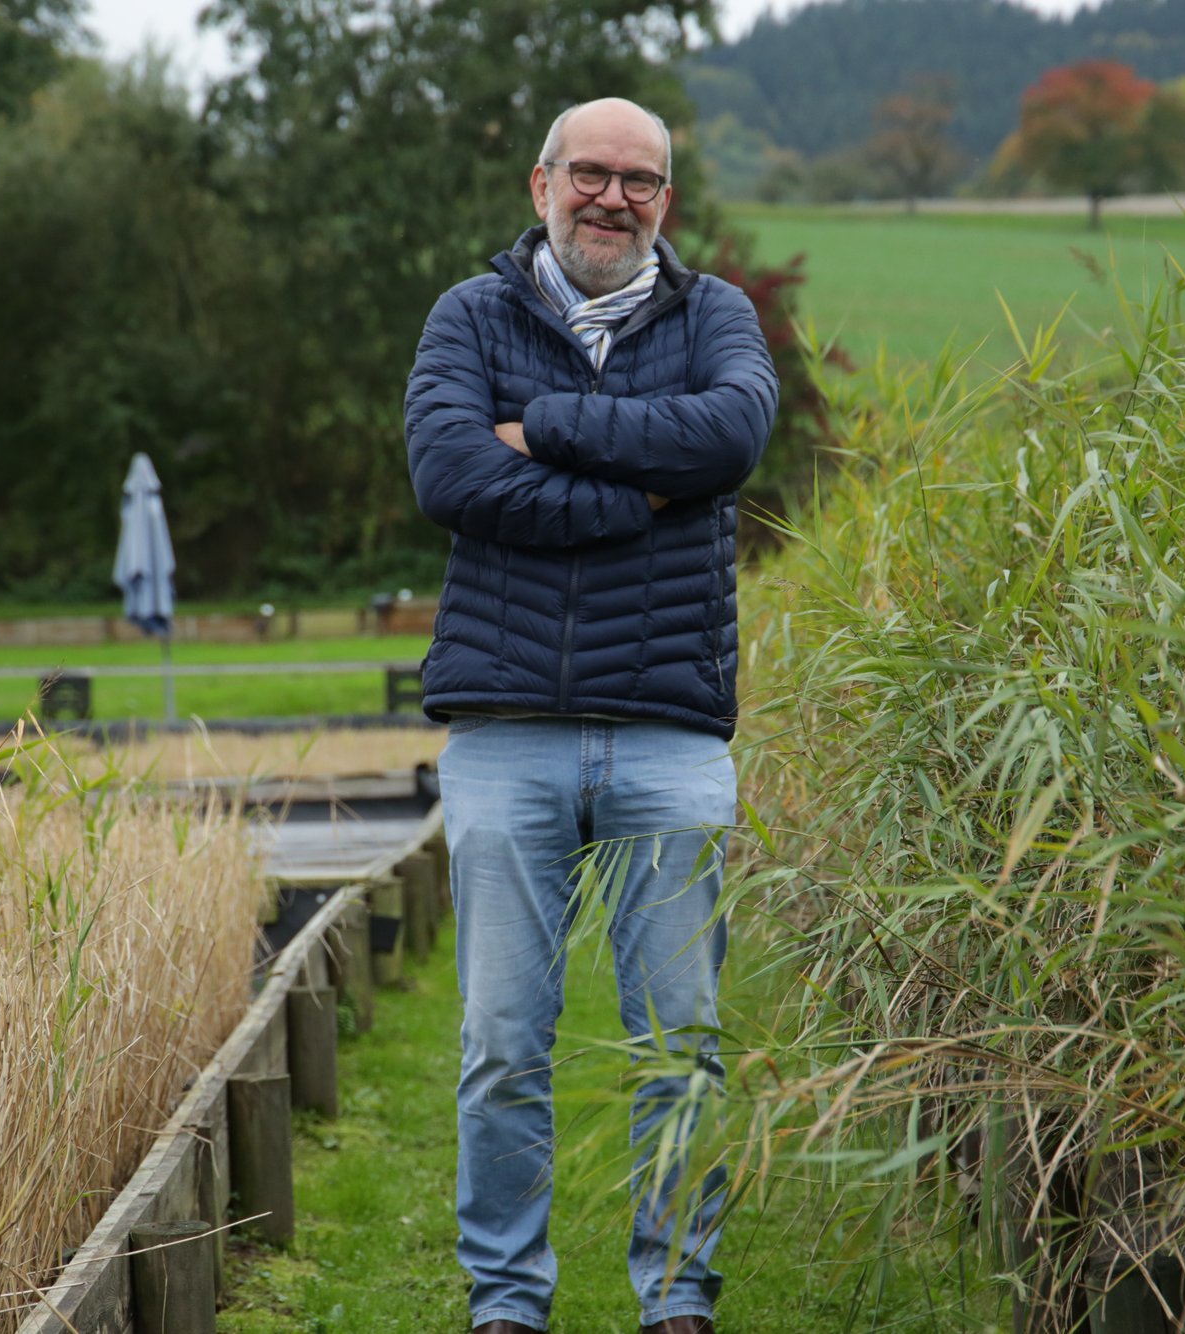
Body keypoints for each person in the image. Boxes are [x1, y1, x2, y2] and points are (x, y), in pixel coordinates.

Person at [403, 96, 779, 1334]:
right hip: (504, 734)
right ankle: (507, 1301)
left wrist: (548, 432)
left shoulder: (713, 313)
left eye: (639, 181)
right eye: (590, 175)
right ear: (540, 183)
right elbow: (452, 473)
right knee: (503, 1042)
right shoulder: (471, 314)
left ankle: (676, 1298)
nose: (612, 198)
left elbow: (727, 433)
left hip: (668, 736)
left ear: (665, 201)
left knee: (679, 1045)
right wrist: (642, 496)